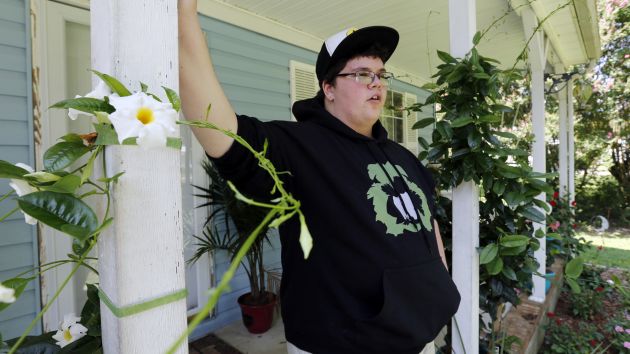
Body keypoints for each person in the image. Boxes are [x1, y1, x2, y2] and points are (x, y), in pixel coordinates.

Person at [178, 2, 461, 353]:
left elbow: (427, 222)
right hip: (340, 343)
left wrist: (440, 288)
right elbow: (222, 133)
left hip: (418, 337)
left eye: (381, 74)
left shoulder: (403, 157)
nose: (377, 83)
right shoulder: (299, 147)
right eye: (361, 74)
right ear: (328, 87)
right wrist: (184, 17)